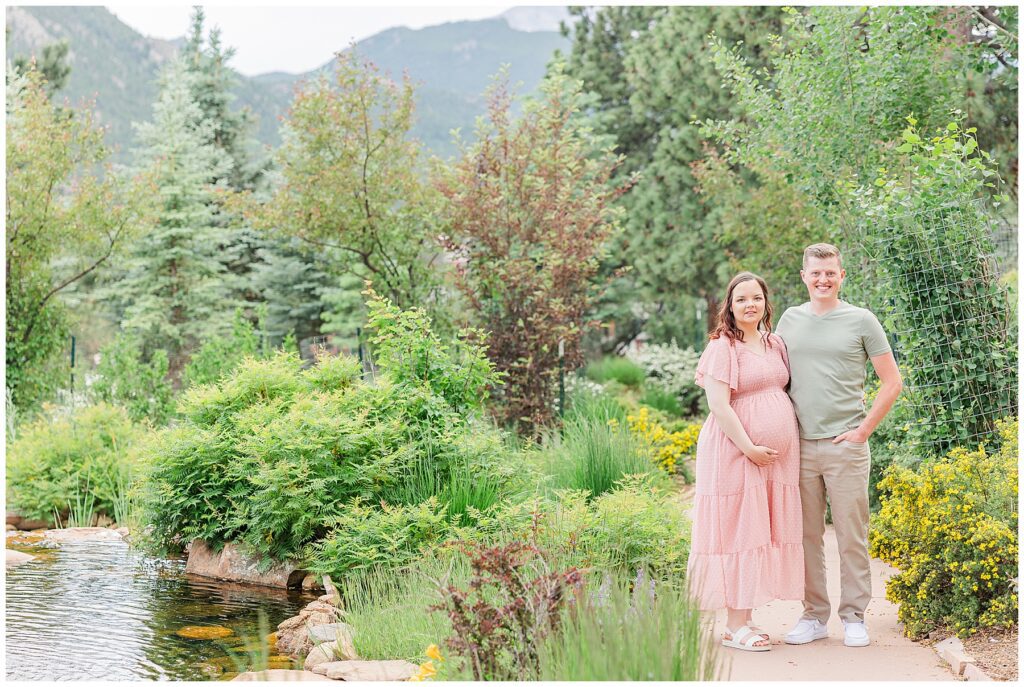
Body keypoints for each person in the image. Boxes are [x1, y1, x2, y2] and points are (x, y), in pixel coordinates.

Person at [775, 243, 902, 648]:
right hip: (798, 446)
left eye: (830, 272)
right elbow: (771, 373)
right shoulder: (789, 320)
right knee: (806, 536)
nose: (823, 279)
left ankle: (854, 617)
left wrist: (863, 431)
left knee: (851, 534)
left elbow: (892, 382)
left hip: (845, 444)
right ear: (804, 276)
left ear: (841, 275)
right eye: (815, 273)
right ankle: (814, 615)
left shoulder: (861, 320)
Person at [687, 272, 804, 652]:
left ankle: (742, 620)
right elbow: (719, 406)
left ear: (766, 303)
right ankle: (735, 625)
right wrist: (750, 448)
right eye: (741, 299)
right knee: (740, 532)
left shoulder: (774, 344)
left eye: (756, 298)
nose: (749, 305)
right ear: (730, 306)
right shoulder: (724, 347)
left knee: (758, 533)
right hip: (735, 452)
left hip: (774, 463)